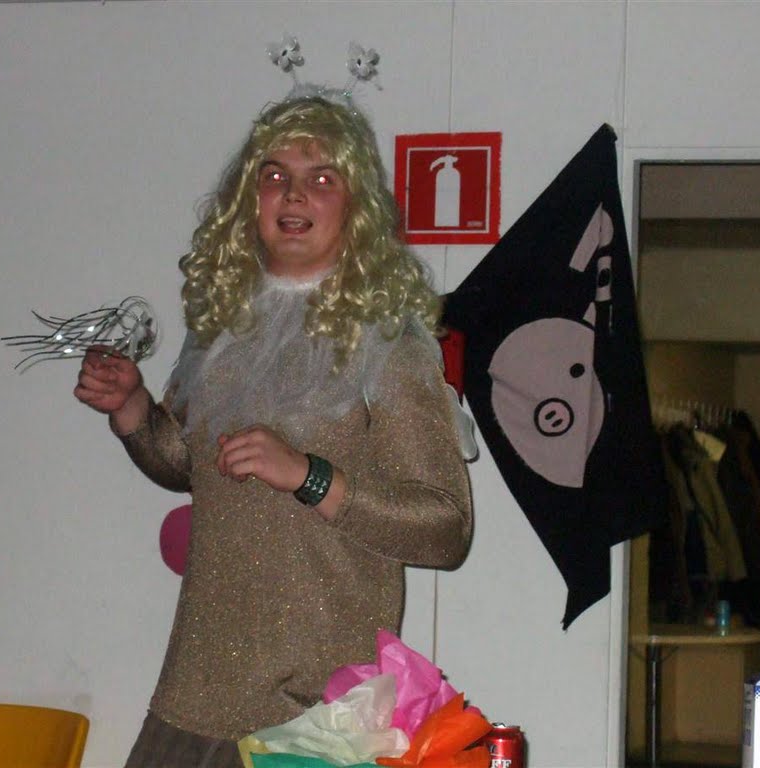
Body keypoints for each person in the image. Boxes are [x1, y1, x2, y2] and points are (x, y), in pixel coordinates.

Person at [74, 94, 473, 768]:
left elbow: (446, 530)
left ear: (355, 207)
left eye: (322, 177)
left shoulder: (391, 348)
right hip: (194, 691)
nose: (294, 193)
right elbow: (187, 465)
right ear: (249, 200)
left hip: (317, 712)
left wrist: (309, 476)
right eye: (275, 175)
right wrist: (134, 409)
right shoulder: (223, 333)